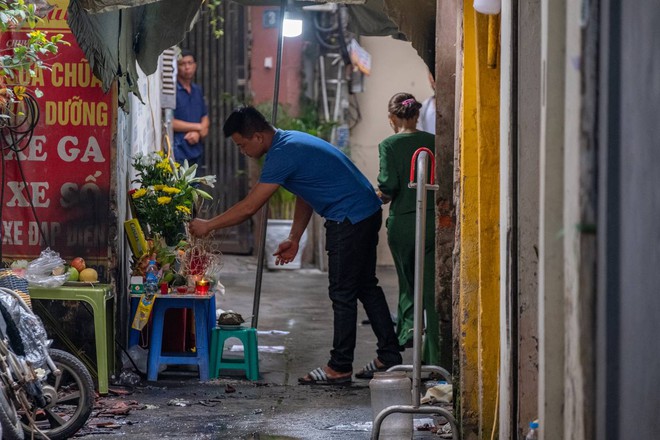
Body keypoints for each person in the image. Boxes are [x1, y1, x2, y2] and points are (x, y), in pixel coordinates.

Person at [189, 106, 402, 384]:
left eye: (242, 145)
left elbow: (250, 207)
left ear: (258, 136)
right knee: (365, 287)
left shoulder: (281, 153)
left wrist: (208, 225)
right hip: (364, 212)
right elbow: (306, 190)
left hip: (348, 218)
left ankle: (339, 366)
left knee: (343, 294)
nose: (242, 151)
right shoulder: (289, 142)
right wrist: (294, 236)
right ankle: (390, 356)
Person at [377, 92, 439, 366]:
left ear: (392, 118)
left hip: (403, 223)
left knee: (408, 286)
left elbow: (388, 186)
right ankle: (434, 356)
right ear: (417, 115)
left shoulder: (389, 144)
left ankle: (409, 337)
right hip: (433, 222)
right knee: (431, 291)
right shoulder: (433, 142)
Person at [172, 49, 209, 167]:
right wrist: (199, 127)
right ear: (176, 67)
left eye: (190, 63)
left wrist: (199, 133)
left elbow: (205, 116)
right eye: (182, 64)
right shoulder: (172, 92)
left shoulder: (197, 90)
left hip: (196, 150)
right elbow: (169, 122)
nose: (187, 67)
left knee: (196, 185)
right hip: (178, 151)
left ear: (195, 65)